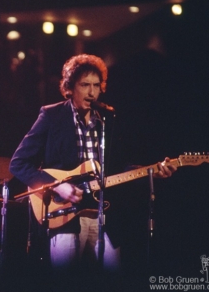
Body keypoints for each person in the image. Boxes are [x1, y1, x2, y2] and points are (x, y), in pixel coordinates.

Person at [9, 54, 176, 289]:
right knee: (65, 282)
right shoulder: (52, 115)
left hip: (102, 215)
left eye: (96, 85)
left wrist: (150, 172)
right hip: (65, 216)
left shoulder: (107, 119)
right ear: (69, 88)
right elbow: (18, 164)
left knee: (113, 279)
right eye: (84, 85)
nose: (91, 92)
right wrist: (60, 186)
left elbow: (118, 169)